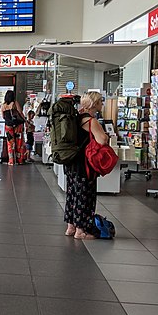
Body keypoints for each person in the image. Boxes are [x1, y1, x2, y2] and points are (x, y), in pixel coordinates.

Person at [64, 92, 109, 240]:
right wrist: (106, 136)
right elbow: (102, 140)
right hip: (85, 164)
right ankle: (80, 230)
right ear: (94, 104)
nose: (102, 104)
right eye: (100, 101)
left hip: (71, 162)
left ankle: (70, 227)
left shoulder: (75, 118)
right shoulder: (91, 121)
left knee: (72, 194)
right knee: (85, 196)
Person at [2, 90, 27, 166]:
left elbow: (3, 116)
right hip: (17, 125)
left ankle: (11, 160)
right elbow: (20, 113)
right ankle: (19, 159)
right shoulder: (15, 103)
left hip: (8, 126)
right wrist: (25, 120)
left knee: (10, 143)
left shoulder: (3, 105)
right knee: (19, 142)